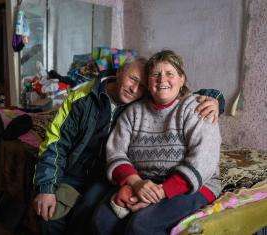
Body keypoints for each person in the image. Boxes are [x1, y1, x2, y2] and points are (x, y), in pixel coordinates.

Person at [33, 56, 223, 234]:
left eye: (141, 86)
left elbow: (175, 93)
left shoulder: (145, 101)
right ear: (119, 72)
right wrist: (47, 188)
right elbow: (55, 144)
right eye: (132, 79)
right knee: (51, 219)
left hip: (109, 177)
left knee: (97, 216)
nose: (134, 89)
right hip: (78, 173)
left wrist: (215, 98)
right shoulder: (83, 98)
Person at [92, 50, 222, 235]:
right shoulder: (133, 112)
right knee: (102, 221)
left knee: (141, 226)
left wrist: (161, 192)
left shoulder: (197, 108)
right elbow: (115, 152)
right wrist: (135, 184)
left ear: (182, 79)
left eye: (170, 73)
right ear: (148, 82)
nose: (162, 80)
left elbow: (203, 160)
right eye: (155, 75)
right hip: (145, 183)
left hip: (195, 186)